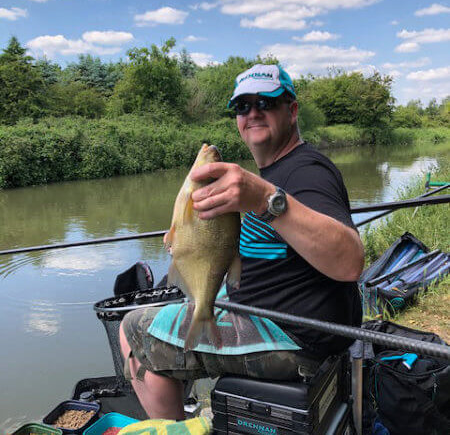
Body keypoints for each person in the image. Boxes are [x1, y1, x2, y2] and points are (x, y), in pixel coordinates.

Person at [119, 64, 365, 420]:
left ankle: (171, 426)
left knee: (133, 328)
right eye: (242, 106)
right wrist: (186, 239)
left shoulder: (307, 171)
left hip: (294, 337)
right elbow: (255, 247)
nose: (252, 113)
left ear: (292, 110)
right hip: (268, 307)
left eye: (265, 102)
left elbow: (350, 263)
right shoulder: (278, 169)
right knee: (185, 295)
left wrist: (266, 198)